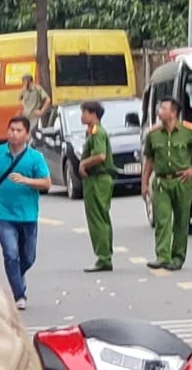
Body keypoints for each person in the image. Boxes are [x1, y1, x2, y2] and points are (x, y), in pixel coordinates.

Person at [0, 116, 51, 310]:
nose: (14, 134)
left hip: (28, 215)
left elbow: (46, 183)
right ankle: (19, 294)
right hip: (5, 215)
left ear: (27, 135)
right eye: (11, 129)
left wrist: (26, 180)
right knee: (11, 254)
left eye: (19, 131)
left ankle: (17, 276)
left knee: (28, 257)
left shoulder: (35, 157)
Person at [141, 98, 192, 270]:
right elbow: (149, 159)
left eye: (163, 108)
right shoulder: (153, 133)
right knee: (162, 219)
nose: (159, 111)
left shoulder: (188, 131)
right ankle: (162, 256)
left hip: (182, 181)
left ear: (173, 113)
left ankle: (177, 257)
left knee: (181, 221)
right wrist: (144, 183)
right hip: (161, 182)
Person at [78, 101, 115, 272]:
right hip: (98, 179)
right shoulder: (91, 132)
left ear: (93, 114)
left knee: (97, 219)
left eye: (84, 112)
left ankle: (103, 257)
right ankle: (105, 254)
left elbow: (100, 156)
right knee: (102, 217)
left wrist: (83, 164)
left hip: (97, 179)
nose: (82, 116)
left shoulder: (97, 132)